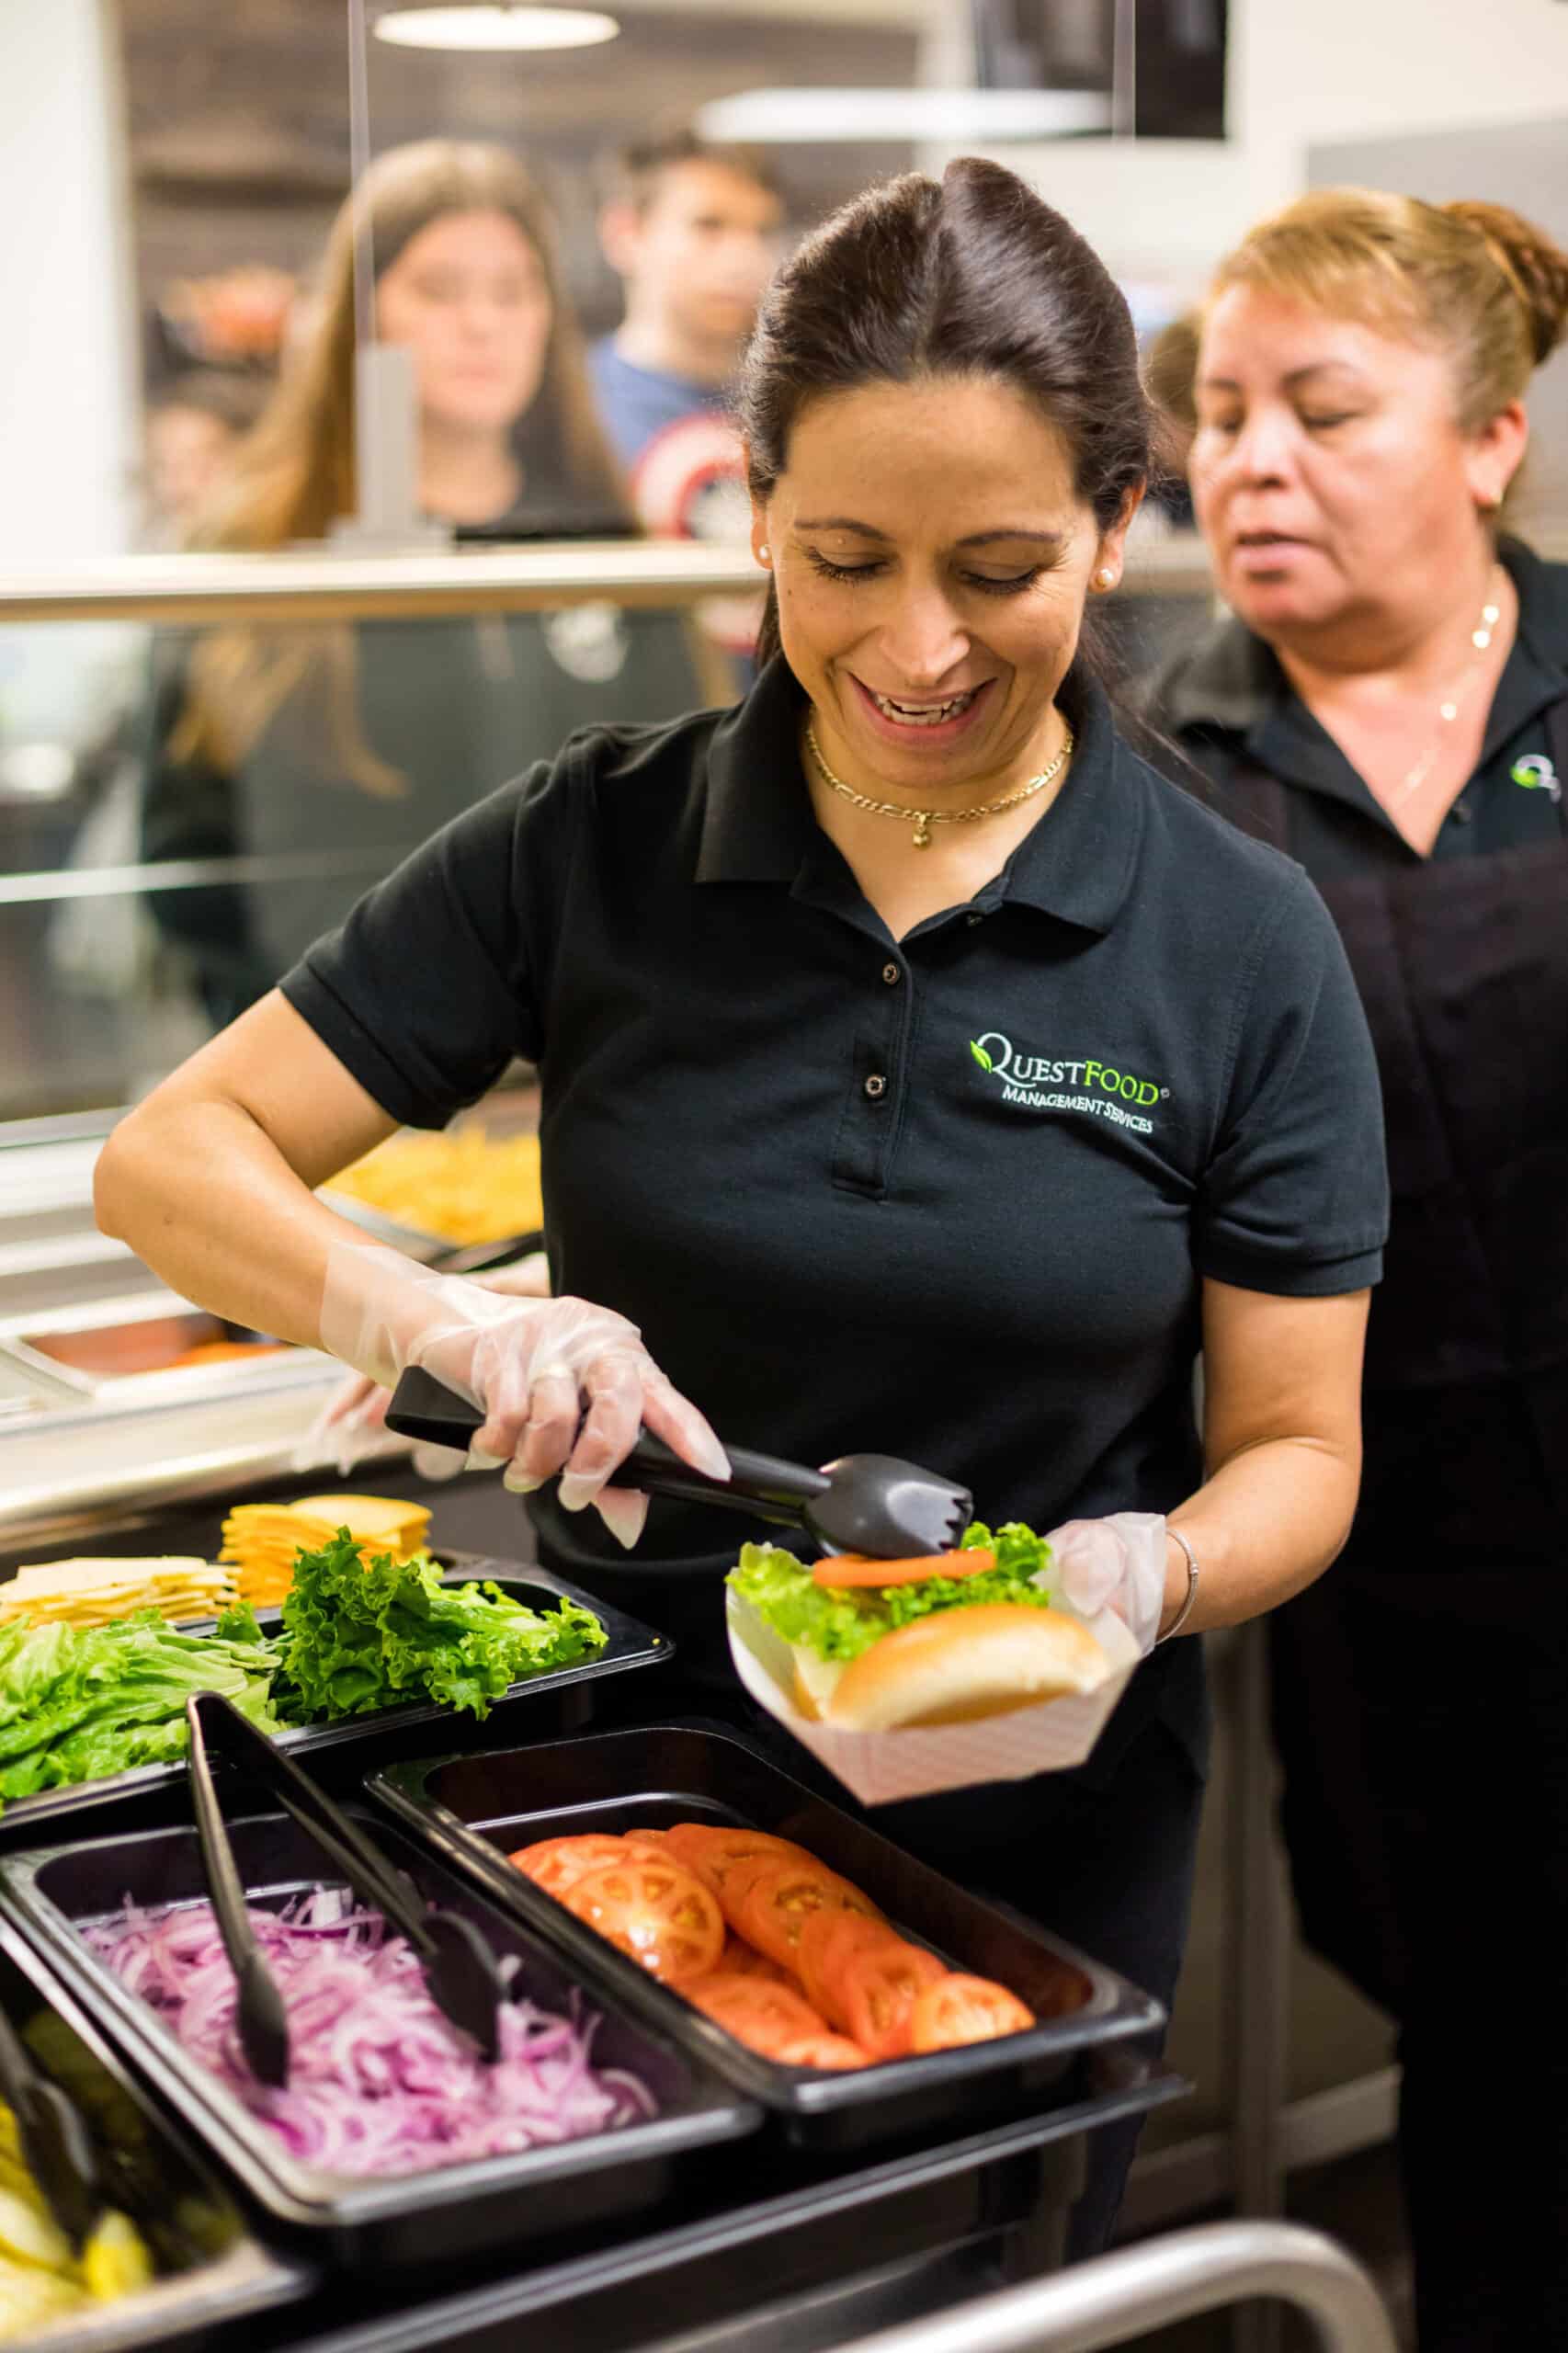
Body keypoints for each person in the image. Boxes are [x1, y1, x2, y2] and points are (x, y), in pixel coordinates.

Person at [97, 157, 1388, 2256]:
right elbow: (172, 1157)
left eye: (995, 565)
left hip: (1029, 1838)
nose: (912, 642)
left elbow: (1301, 1445)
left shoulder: (1238, 941)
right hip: (590, 1786)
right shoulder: (589, 845)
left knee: (986, 2285)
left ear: (1111, 528)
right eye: (841, 555)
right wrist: (451, 1323)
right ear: (752, 507)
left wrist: (1150, 1568)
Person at [1142, 188, 1568, 2350]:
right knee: (1478, 2059)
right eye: (1216, 414)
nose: (1246, 462)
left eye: (1318, 408)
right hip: (1375, 1557)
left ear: (1485, 437)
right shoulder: (1142, 763)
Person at [142, 140, 710, 1029]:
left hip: (579, 1066)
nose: (482, 323)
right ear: (361, 320)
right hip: (330, 1070)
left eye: (513, 290)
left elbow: (678, 818)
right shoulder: (261, 545)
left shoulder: (602, 538)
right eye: (438, 290)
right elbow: (188, 865)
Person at [591, 133, 784, 668]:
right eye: (709, 226)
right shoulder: (577, 411)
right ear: (625, 234)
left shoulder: (804, 408)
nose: (743, 256)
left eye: (760, 230)